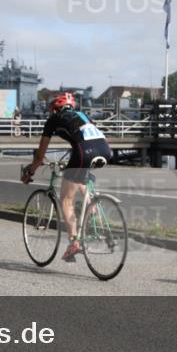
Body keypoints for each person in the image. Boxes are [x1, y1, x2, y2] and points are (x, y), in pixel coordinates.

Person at [21, 92, 112, 261]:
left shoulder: (53, 120)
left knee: (65, 199)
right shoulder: (82, 115)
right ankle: (93, 211)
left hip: (84, 152)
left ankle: (73, 243)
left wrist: (30, 171)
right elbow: (84, 138)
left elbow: (40, 156)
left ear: (55, 109)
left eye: (52, 111)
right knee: (78, 177)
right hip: (105, 150)